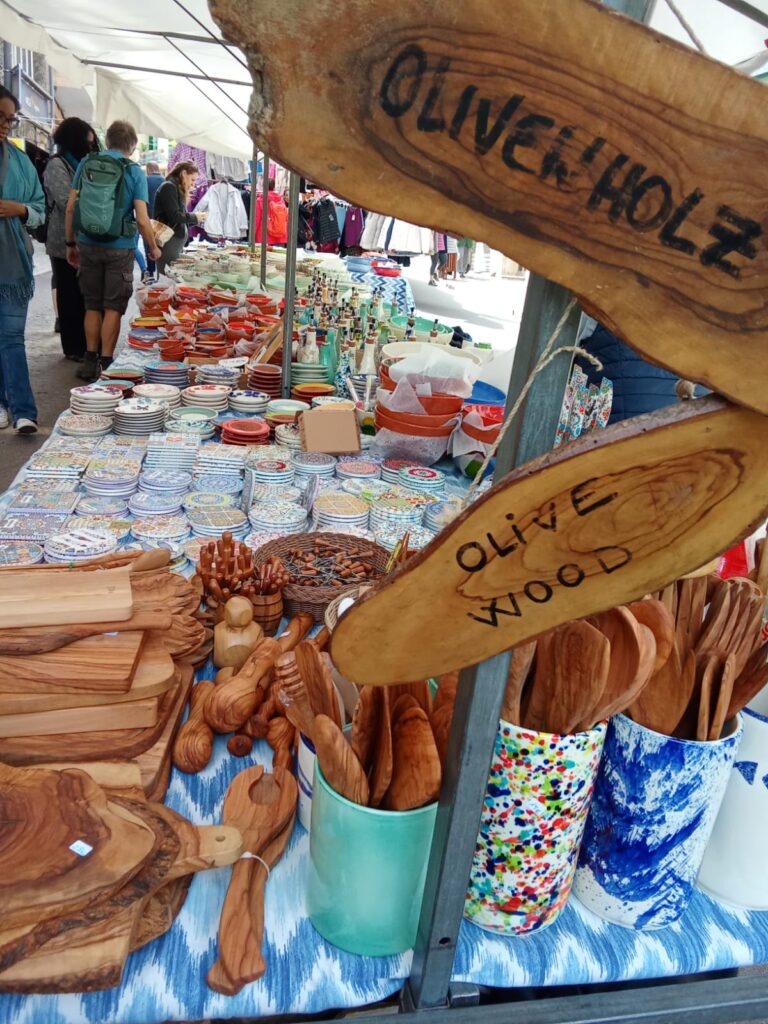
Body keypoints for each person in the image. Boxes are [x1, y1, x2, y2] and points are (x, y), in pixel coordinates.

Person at [65, 120, 161, 382]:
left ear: (107, 140)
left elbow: (71, 206)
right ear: (132, 146)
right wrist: (153, 248)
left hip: (87, 243)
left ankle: (89, 360)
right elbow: (142, 219)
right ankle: (107, 363)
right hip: (119, 247)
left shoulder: (87, 163)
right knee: (113, 307)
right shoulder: (133, 171)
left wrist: (70, 243)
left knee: (92, 305)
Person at [0, 86, 45, 434]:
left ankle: (23, 410)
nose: (6, 125)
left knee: (12, 337)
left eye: (10, 119)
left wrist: (20, 209)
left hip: (14, 265)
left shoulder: (20, 161)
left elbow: (41, 210)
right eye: (0, 117)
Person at [44, 116, 99, 363]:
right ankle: (73, 347)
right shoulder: (57, 165)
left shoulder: (82, 164)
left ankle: (86, 344)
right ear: (74, 140)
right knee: (68, 295)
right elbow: (68, 202)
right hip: (61, 241)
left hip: (85, 240)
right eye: (87, 142)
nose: (90, 147)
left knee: (84, 295)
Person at [152, 161, 206, 275]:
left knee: (170, 276)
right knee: (166, 277)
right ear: (184, 173)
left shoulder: (175, 188)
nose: (193, 184)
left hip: (173, 241)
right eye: (192, 179)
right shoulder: (169, 187)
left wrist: (196, 219)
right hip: (169, 241)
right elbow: (174, 216)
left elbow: (179, 219)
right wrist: (194, 217)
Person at [144, 161, 164, 280]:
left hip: (148, 218)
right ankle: (161, 273)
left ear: (149, 170)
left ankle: (151, 272)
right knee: (161, 245)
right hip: (162, 221)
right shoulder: (165, 180)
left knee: (149, 245)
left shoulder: (145, 180)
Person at [255, 178, 289, 246]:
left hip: (264, 235)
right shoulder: (280, 200)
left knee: (264, 256)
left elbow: (256, 219)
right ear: (273, 187)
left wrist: (253, 234)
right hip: (279, 236)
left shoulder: (260, 200)